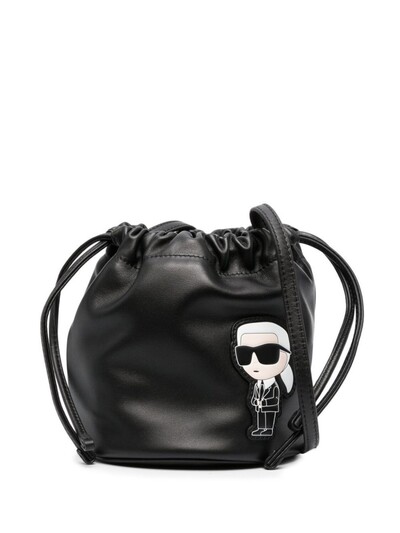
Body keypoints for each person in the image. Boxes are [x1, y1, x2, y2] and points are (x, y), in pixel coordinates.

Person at [234, 321, 294, 438]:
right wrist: (255, 402)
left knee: (268, 418)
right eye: (244, 354)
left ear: (286, 355)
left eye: (267, 354)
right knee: (261, 418)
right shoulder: (257, 384)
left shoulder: (273, 385)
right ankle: (261, 428)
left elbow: (274, 398)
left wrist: (263, 403)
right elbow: (255, 394)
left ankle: (268, 429)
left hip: (269, 407)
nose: (254, 362)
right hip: (260, 406)